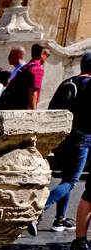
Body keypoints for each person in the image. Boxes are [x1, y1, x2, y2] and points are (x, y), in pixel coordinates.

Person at [40, 52, 91, 233]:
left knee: (65, 177)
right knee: (71, 180)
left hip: (61, 138)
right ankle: (39, 210)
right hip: (81, 139)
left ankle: (60, 219)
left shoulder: (67, 82)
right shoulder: (89, 85)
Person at [0, 43, 49, 111]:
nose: (46, 59)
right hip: (22, 109)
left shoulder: (26, 67)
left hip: (11, 106)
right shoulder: (37, 68)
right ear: (43, 53)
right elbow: (32, 93)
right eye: (47, 55)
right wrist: (34, 112)